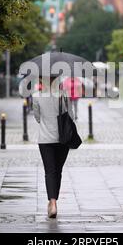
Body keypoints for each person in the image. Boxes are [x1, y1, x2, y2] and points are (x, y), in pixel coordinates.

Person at [32, 76, 75, 218]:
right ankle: (54, 201)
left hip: (45, 139)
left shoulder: (36, 96)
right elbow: (71, 115)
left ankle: (52, 203)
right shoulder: (63, 94)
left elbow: (37, 117)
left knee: (49, 171)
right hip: (63, 139)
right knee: (58, 171)